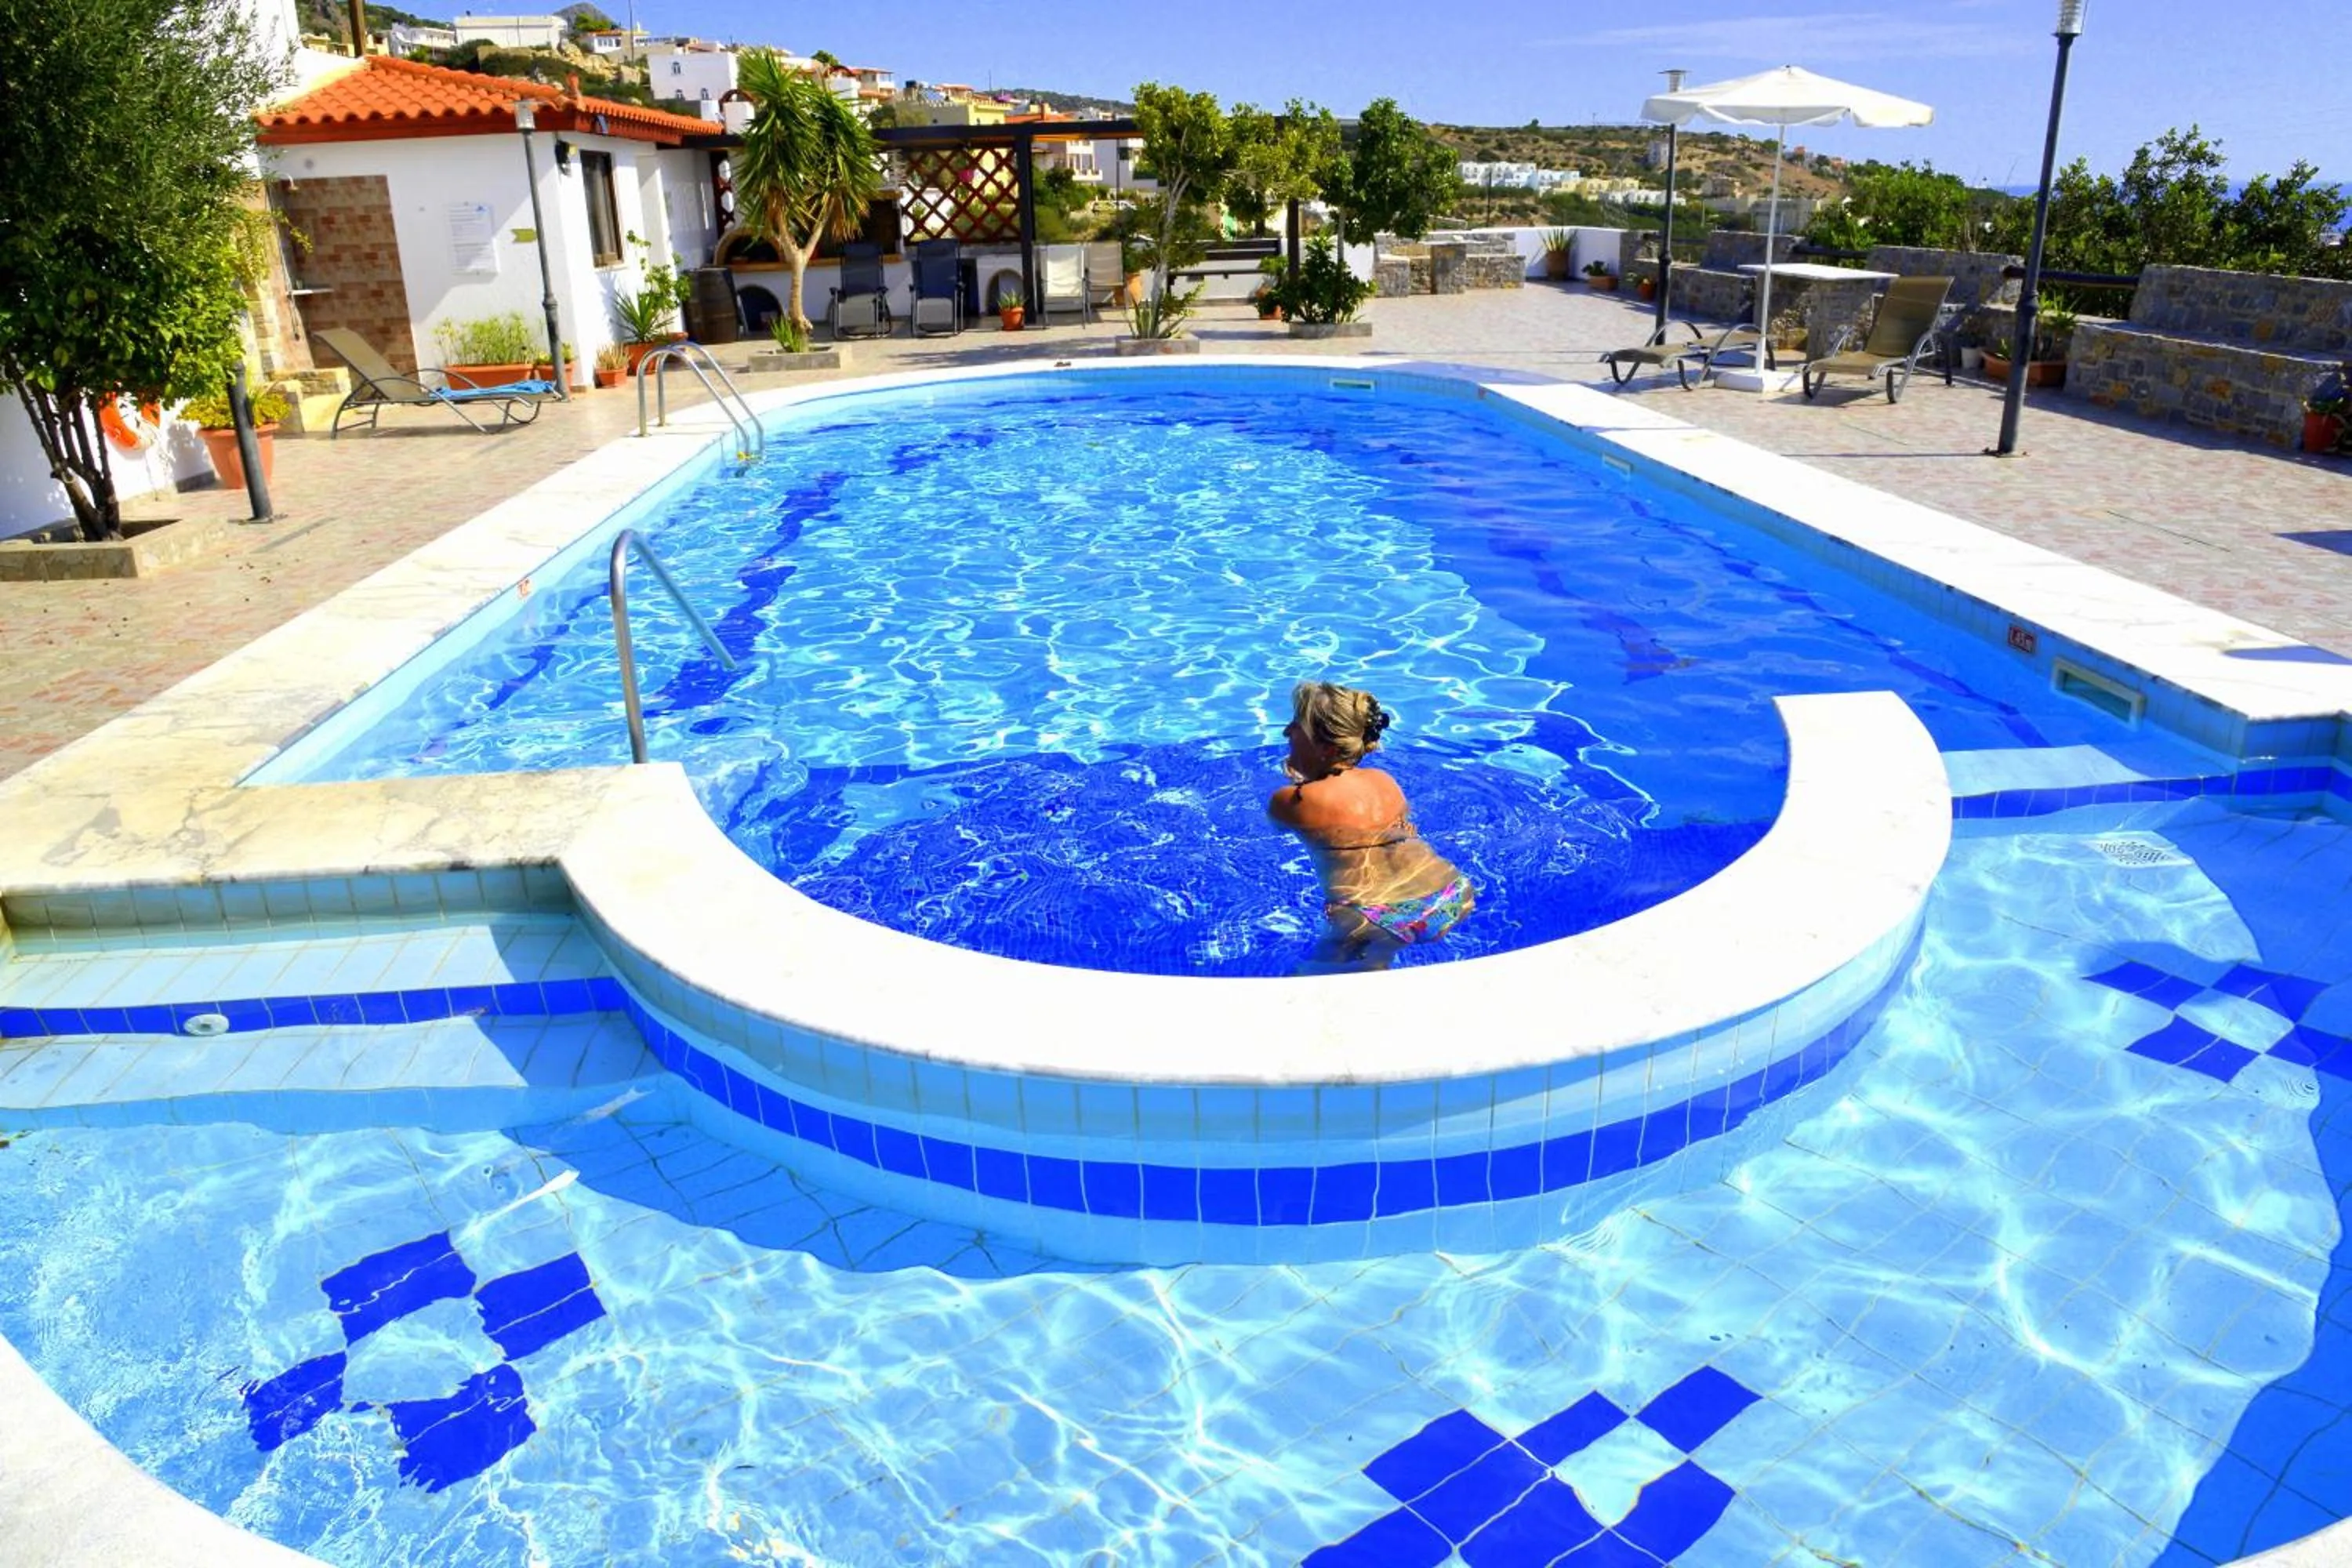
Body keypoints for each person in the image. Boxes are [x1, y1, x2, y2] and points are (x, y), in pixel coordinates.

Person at [1268, 681, 1475, 972]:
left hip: (1372, 915)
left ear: (1325, 747)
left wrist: (1297, 780)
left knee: (1309, 987)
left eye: (1296, 725)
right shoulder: (1385, 781)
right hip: (1449, 893)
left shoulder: (1292, 800)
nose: (1286, 732)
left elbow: (1278, 828)